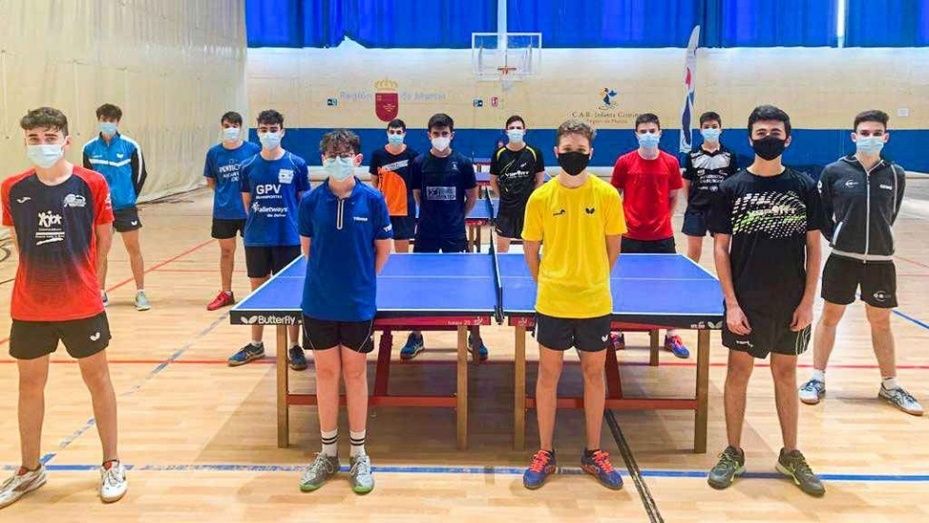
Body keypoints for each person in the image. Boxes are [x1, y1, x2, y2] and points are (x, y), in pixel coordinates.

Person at [0, 107, 127, 508]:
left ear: (66, 141)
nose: (42, 145)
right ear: (25, 142)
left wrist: (93, 285)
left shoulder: (92, 183)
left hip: (82, 304)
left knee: (98, 380)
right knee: (29, 386)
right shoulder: (12, 188)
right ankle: (30, 469)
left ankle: (111, 462)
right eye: (34, 139)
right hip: (30, 307)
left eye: (50, 138)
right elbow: (19, 243)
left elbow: (104, 241)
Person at [706, 105, 825, 497]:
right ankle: (733, 451)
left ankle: (791, 453)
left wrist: (807, 302)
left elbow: (814, 247)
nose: (768, 138)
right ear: (750, 138)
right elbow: (720, 248)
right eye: (761, 132)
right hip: (746, 301)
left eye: (775, 132)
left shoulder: (804, 187)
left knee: (786, 373)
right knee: (738, 372)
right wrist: (731, 302)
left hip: (790, 301)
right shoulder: (732, 188)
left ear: (788, 139)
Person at [520, 119, 625, 491]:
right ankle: (545, 452)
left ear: (591, 152)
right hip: (553, 303)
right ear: (556, 152)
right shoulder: (541, 198)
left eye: (581, 150)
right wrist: (549, 282)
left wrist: (591, 279)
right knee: (547, 377)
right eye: (568, 150)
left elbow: (613, 249)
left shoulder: (607, 195)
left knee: (594, 376)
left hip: (595, 303)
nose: (574, 155)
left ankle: (593, 452)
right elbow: (530, 251)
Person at [799, 110, 921, 416]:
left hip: (881, 262)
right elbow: (823, 213)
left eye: (877, 133)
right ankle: (817, 378)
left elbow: (890, 213)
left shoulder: (895, 174)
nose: (870, 138)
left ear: (886, 137)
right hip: (842, 259)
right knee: (830, 317)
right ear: (854, 136)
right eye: (864, 133)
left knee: (881, 322)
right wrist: (839, 237)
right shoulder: (834, 172)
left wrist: (879, 238)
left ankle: (890, 385)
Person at [297, 129, 392, 494]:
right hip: (318, 302)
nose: (338, 161)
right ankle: (327, 454)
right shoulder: (310, 201)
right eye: (331, 155)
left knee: (354, 374)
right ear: (323, 160)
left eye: (344, 155)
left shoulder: (373, 199)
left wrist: (361, 281)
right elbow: (308, 248)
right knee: (325, 374)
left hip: (357, 304)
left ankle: (359, 454)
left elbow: (383, 249)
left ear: (357, 159)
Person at [400, 113, 489, 361]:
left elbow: (472, 196)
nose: (440, 137)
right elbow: (417, 195)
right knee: (419, 284)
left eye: (445, 133)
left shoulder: (463, 163)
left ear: (452, 135)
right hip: (426, 232)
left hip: (454, 233)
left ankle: (474, 334)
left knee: (463, 284)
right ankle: (416, 335)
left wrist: (457, 217)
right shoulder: (419, 163)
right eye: (436, 134)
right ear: (429, 135)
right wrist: (432, 215)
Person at [227, 109, 307, 370]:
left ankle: (294, 346)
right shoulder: (248, 166)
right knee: (258, 292)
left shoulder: (296, 163)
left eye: (273, 130)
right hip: (257, 239)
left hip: (288, 238)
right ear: (257, 132)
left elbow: (301, 202)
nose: (269, 134)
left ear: (282, 131)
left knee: (291, 294)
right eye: (264, 130)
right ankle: (256, 344)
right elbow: (247, 202)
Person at [609, 113, 689, 358]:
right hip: (629, 236)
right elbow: (613, 196)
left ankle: (671, 335)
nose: (648, 135)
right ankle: (617, 332)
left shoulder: (671, 162)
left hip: (662, 237)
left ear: (660, 133)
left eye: (652, 131)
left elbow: (674, 196)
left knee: (666, 288)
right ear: (636, 134)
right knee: (621, 284)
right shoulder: (624, 162)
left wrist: (664, 219)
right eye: (643, 131)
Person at [82, 103, 150, 311]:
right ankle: (100, 292)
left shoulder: (130, 146)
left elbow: (140, 174)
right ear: (99, 120)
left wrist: (128, 197)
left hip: (125, 207)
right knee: (100, 251)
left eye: (112, 120)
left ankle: (140, 292)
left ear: (118, 122)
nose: (108, 123)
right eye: (104, 120)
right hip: (101, 209)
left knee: (134, 249)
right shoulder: (89, 148)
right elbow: (88, 178)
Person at [203, 111, 261, 311]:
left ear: (241, 128)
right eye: (227, 126)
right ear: (222, 127)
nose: (231, 129)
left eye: (235, 126)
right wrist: (225, 196)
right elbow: (211, 181)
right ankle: (226, 292)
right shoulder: (214, 153)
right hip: (224, 212)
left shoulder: (252, 149)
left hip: (249, 211)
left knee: (254, 252)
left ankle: (258, 292)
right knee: (226, 252)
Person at [682, 111, 739, 263]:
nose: (710, 130)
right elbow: (686, 182)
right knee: (694, 251)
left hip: (721, 209)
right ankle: (690, 277)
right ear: (701, 130)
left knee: (721, 251)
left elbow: (734, 183)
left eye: (714, 126)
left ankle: (723, 278)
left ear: (720, 129)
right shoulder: (692, 155)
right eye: (706, 127)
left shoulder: (730, 155)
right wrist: (691, 203)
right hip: (697, 209)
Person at [489, 115, 545, 253]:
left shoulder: (535, 153)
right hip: (506, 210)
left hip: (528, 209)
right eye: (512, 128)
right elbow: (493, 180)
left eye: (519, 128)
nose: (515, 130)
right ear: (506, 131)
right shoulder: (499, 154)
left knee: (530, 251)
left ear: (524, 131)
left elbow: (540, 179)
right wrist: (503, 197)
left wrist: (532, 198)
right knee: (502, 252)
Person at [369, 118, 418, 252]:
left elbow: (416, 183)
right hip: (383, 207)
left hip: (404, 208)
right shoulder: (378, 155)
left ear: (404, 134)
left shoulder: (413, 155)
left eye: (398, 132)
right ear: (387, 133)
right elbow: (374, 181)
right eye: (392, 132)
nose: (395, 135)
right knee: (380, 249)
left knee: (402, 252)